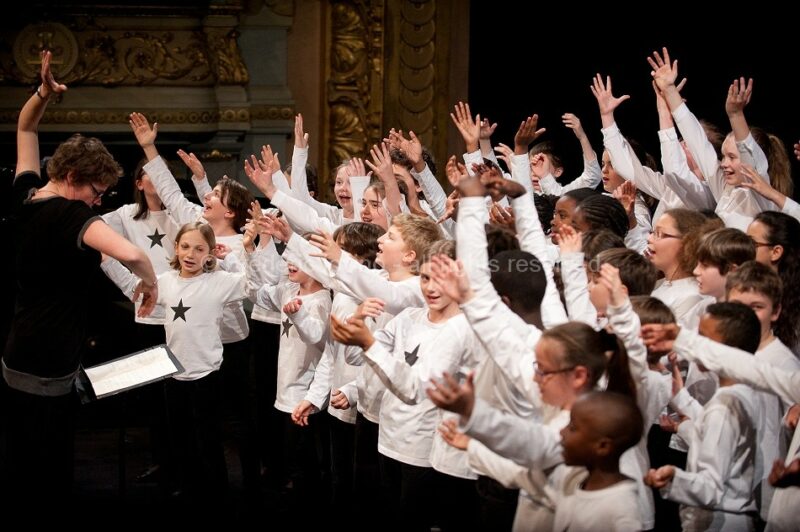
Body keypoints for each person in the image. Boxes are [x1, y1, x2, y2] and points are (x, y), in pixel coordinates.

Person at [2, 50, 158, 507]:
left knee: (20, 456)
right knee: (46, 467)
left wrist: (42, 94)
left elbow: (26, 129)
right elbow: (132, 253)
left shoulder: (25, 193)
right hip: (47, 358)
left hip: (19, 346)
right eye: (95, 191)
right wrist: (149, 283)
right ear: (71, 177)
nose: (97, 201)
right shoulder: (69, 216)